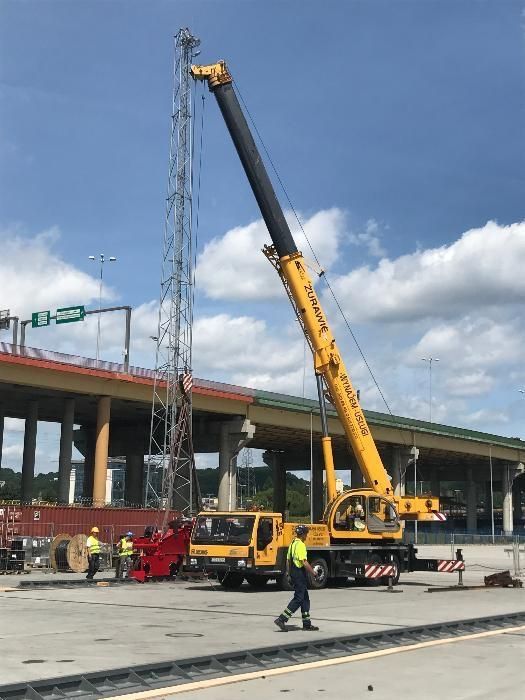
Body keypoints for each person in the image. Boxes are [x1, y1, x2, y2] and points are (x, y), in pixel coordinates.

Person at [274, 525, 319, 632]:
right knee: (299, 598)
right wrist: (313, 573)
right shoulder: (301, 545)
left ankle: (306, 624)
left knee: (305, 599)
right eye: (306, 534)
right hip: (299, 574)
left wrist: (289, 574)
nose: (306, 536)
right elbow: (304, 562)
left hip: (294, 572)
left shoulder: (292, 544)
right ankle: (282, 619)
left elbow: (288, 561)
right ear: (303, 534)